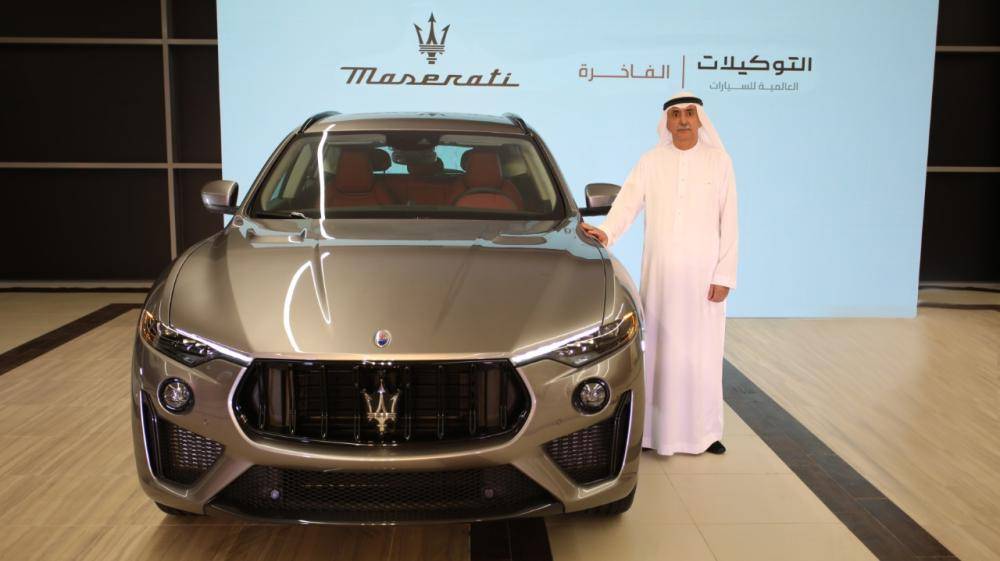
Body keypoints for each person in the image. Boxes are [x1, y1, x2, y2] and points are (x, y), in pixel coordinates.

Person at [581, 91, 738, 456]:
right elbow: (627, 203)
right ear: (666, 121)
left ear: (699, 119)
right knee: (660, 353)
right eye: (676, 114)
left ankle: (704, 433)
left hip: (704, 278)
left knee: (702, 354)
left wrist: (724, 275)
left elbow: (730, 220)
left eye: (689, 113)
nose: (682, 120)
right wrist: (606, 233)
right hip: (662, 276)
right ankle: (654, 434)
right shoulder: (651, 161)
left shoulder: (719, 161)